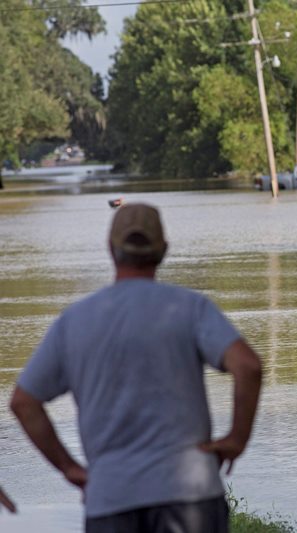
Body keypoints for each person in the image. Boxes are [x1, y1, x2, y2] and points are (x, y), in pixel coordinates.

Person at [9, 203, 262, 532]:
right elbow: (248, 366)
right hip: (190, 495)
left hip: (111, 498)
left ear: (109, 248)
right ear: (164, 250)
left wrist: (69, 468)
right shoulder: (190, 307)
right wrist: (236, 439)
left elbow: (24, 402)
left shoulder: (74, 321)